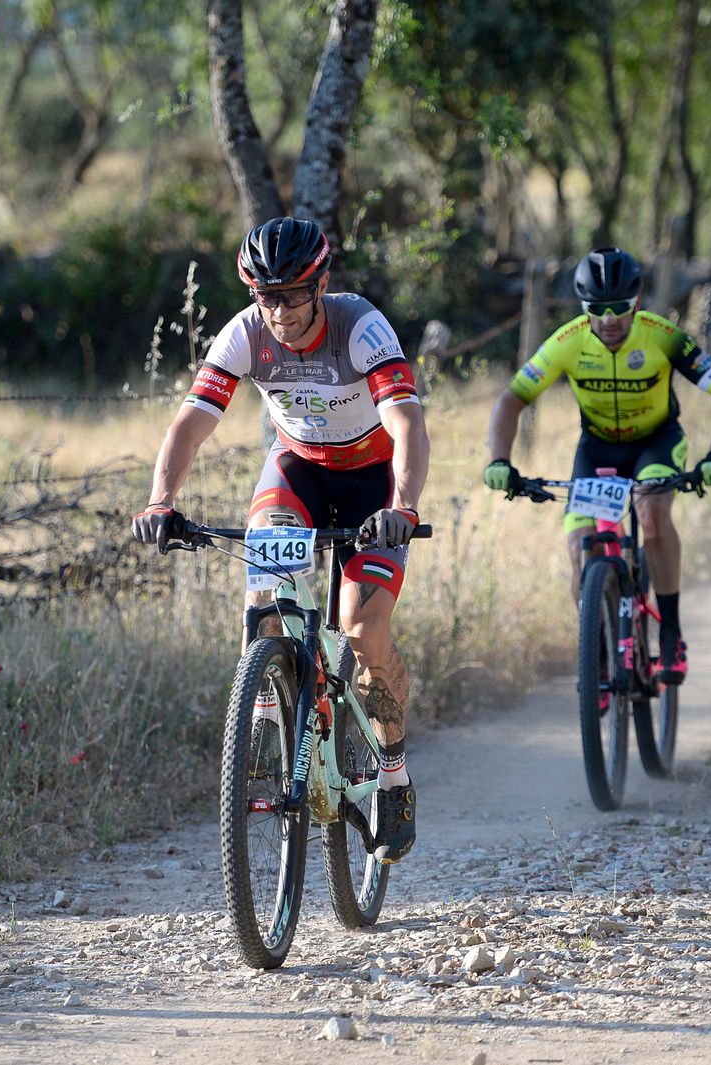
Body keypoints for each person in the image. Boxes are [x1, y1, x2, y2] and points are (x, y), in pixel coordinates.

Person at [131, 217, 430, 864]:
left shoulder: (360, 327)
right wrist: (162, 500)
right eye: (265, 295)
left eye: (293, 293)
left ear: (320, 283)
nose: (280, 310)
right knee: (265, 598)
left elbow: (406, 424)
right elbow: (190, 422)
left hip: (370, 482)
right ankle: (264, 705)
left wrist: (403, 506)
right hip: (296, 470)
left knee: (360, 627)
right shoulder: (244, 332)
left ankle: (395, 776)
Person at [483, 246, 711, 683]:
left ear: (637, 303)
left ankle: (671, 634)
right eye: (597, 309)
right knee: (579, 549)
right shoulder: (567, 342)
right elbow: (511, 400)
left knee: (653, 514)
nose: (609, 319)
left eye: (619, 308)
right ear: (584, 308)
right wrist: (499, 460)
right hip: (598, 450)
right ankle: (598, 654)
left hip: (657, 444)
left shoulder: (662, 335)